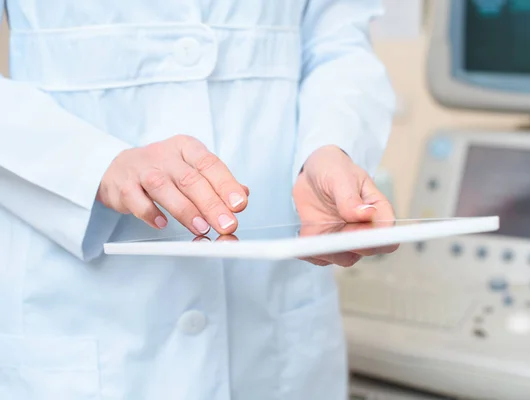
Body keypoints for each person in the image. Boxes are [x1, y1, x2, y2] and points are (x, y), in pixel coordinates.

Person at [0, 1, 396, 399]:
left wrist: (329, 145)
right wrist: (96, 165)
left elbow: (339, 44)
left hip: (275, 325)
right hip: (85, 303)